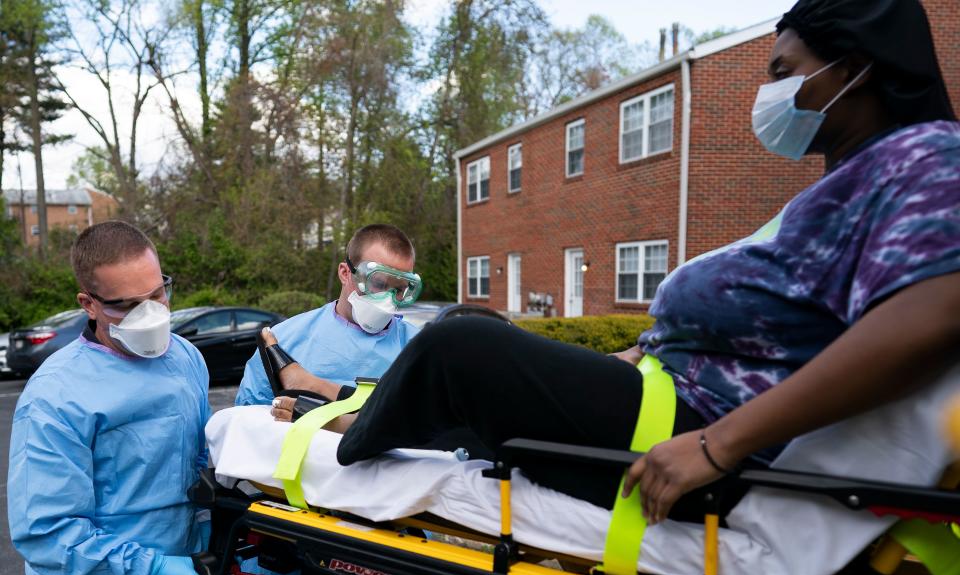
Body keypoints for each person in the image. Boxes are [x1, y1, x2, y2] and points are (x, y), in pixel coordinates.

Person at [278, 0, 960, 526]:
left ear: (855, 68)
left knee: (460, 341)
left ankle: (347, 434)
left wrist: (716, 446)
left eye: (785, 72)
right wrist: (621, 362)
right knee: (476, 342)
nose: (771, 90)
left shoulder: (927, 157)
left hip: (688, 433)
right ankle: (345, 406)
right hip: (660, 397)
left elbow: (932, 314)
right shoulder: (845, 186)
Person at [7, 221, 216, 575]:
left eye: (158, 294)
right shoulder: (56, 394)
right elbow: (46, 531)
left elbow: (198, 466)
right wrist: (152, 568)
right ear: (89, 303)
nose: (151, 314)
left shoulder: (186, 358)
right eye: (127, 304)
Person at [229, 223, 430, 575]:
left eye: (401, 289)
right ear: (346, 273)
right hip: (291, 533)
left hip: (388, 534)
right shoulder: (286, 340)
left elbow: (437, 438)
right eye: (379, 284)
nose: (389, 300)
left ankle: (330, 402)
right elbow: (245, 436)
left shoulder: (420, 351)